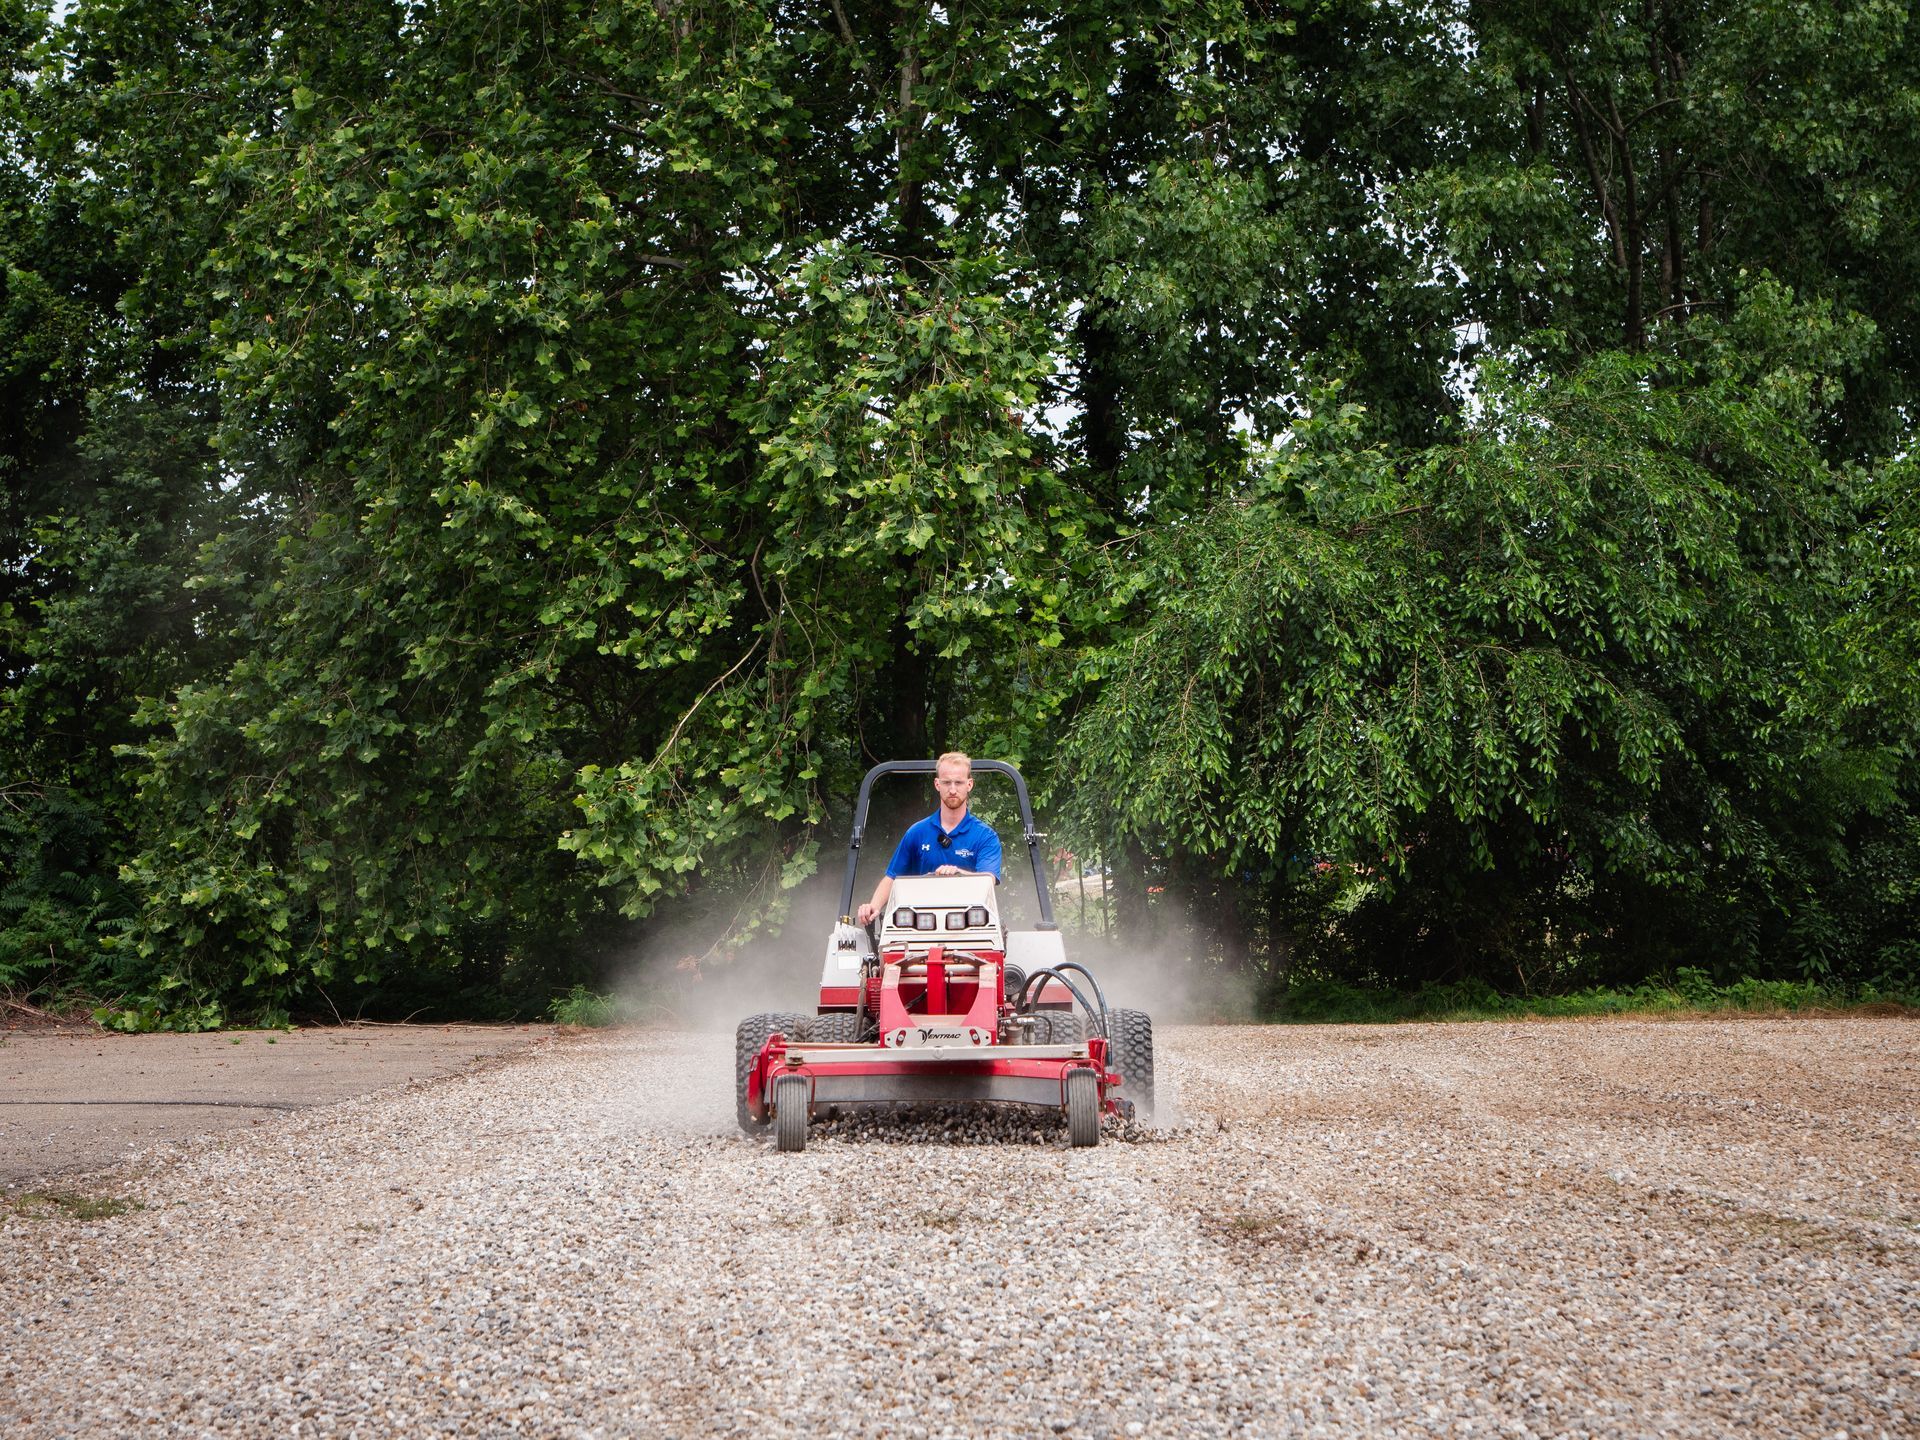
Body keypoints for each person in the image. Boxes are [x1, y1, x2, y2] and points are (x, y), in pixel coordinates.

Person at [856, 752, 1002, 926]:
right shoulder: (917, 832)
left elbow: (987, 881)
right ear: (937, 784)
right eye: (947, 782)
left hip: (971, 926)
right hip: (921, 926)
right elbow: (892, 877)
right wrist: (873, 906)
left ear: (969, 784)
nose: (953, 789)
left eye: (959, 782)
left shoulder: (985, 836)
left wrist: (957, 873)